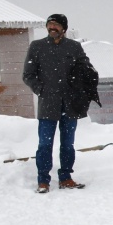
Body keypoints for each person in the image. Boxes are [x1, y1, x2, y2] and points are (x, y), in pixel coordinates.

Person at [21, 14, 99, 194]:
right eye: (49, 25)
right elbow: (28, 75)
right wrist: (42, 90)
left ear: (64, 28)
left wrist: (84, 85)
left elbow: (85, 69)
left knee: (67, 144)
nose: (52, 28)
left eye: (56, 25)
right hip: (48, 103)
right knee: (44, 144)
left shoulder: (74, 47)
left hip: (70, 104)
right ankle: (43, 180)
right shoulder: (37, 46)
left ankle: (65, 177)